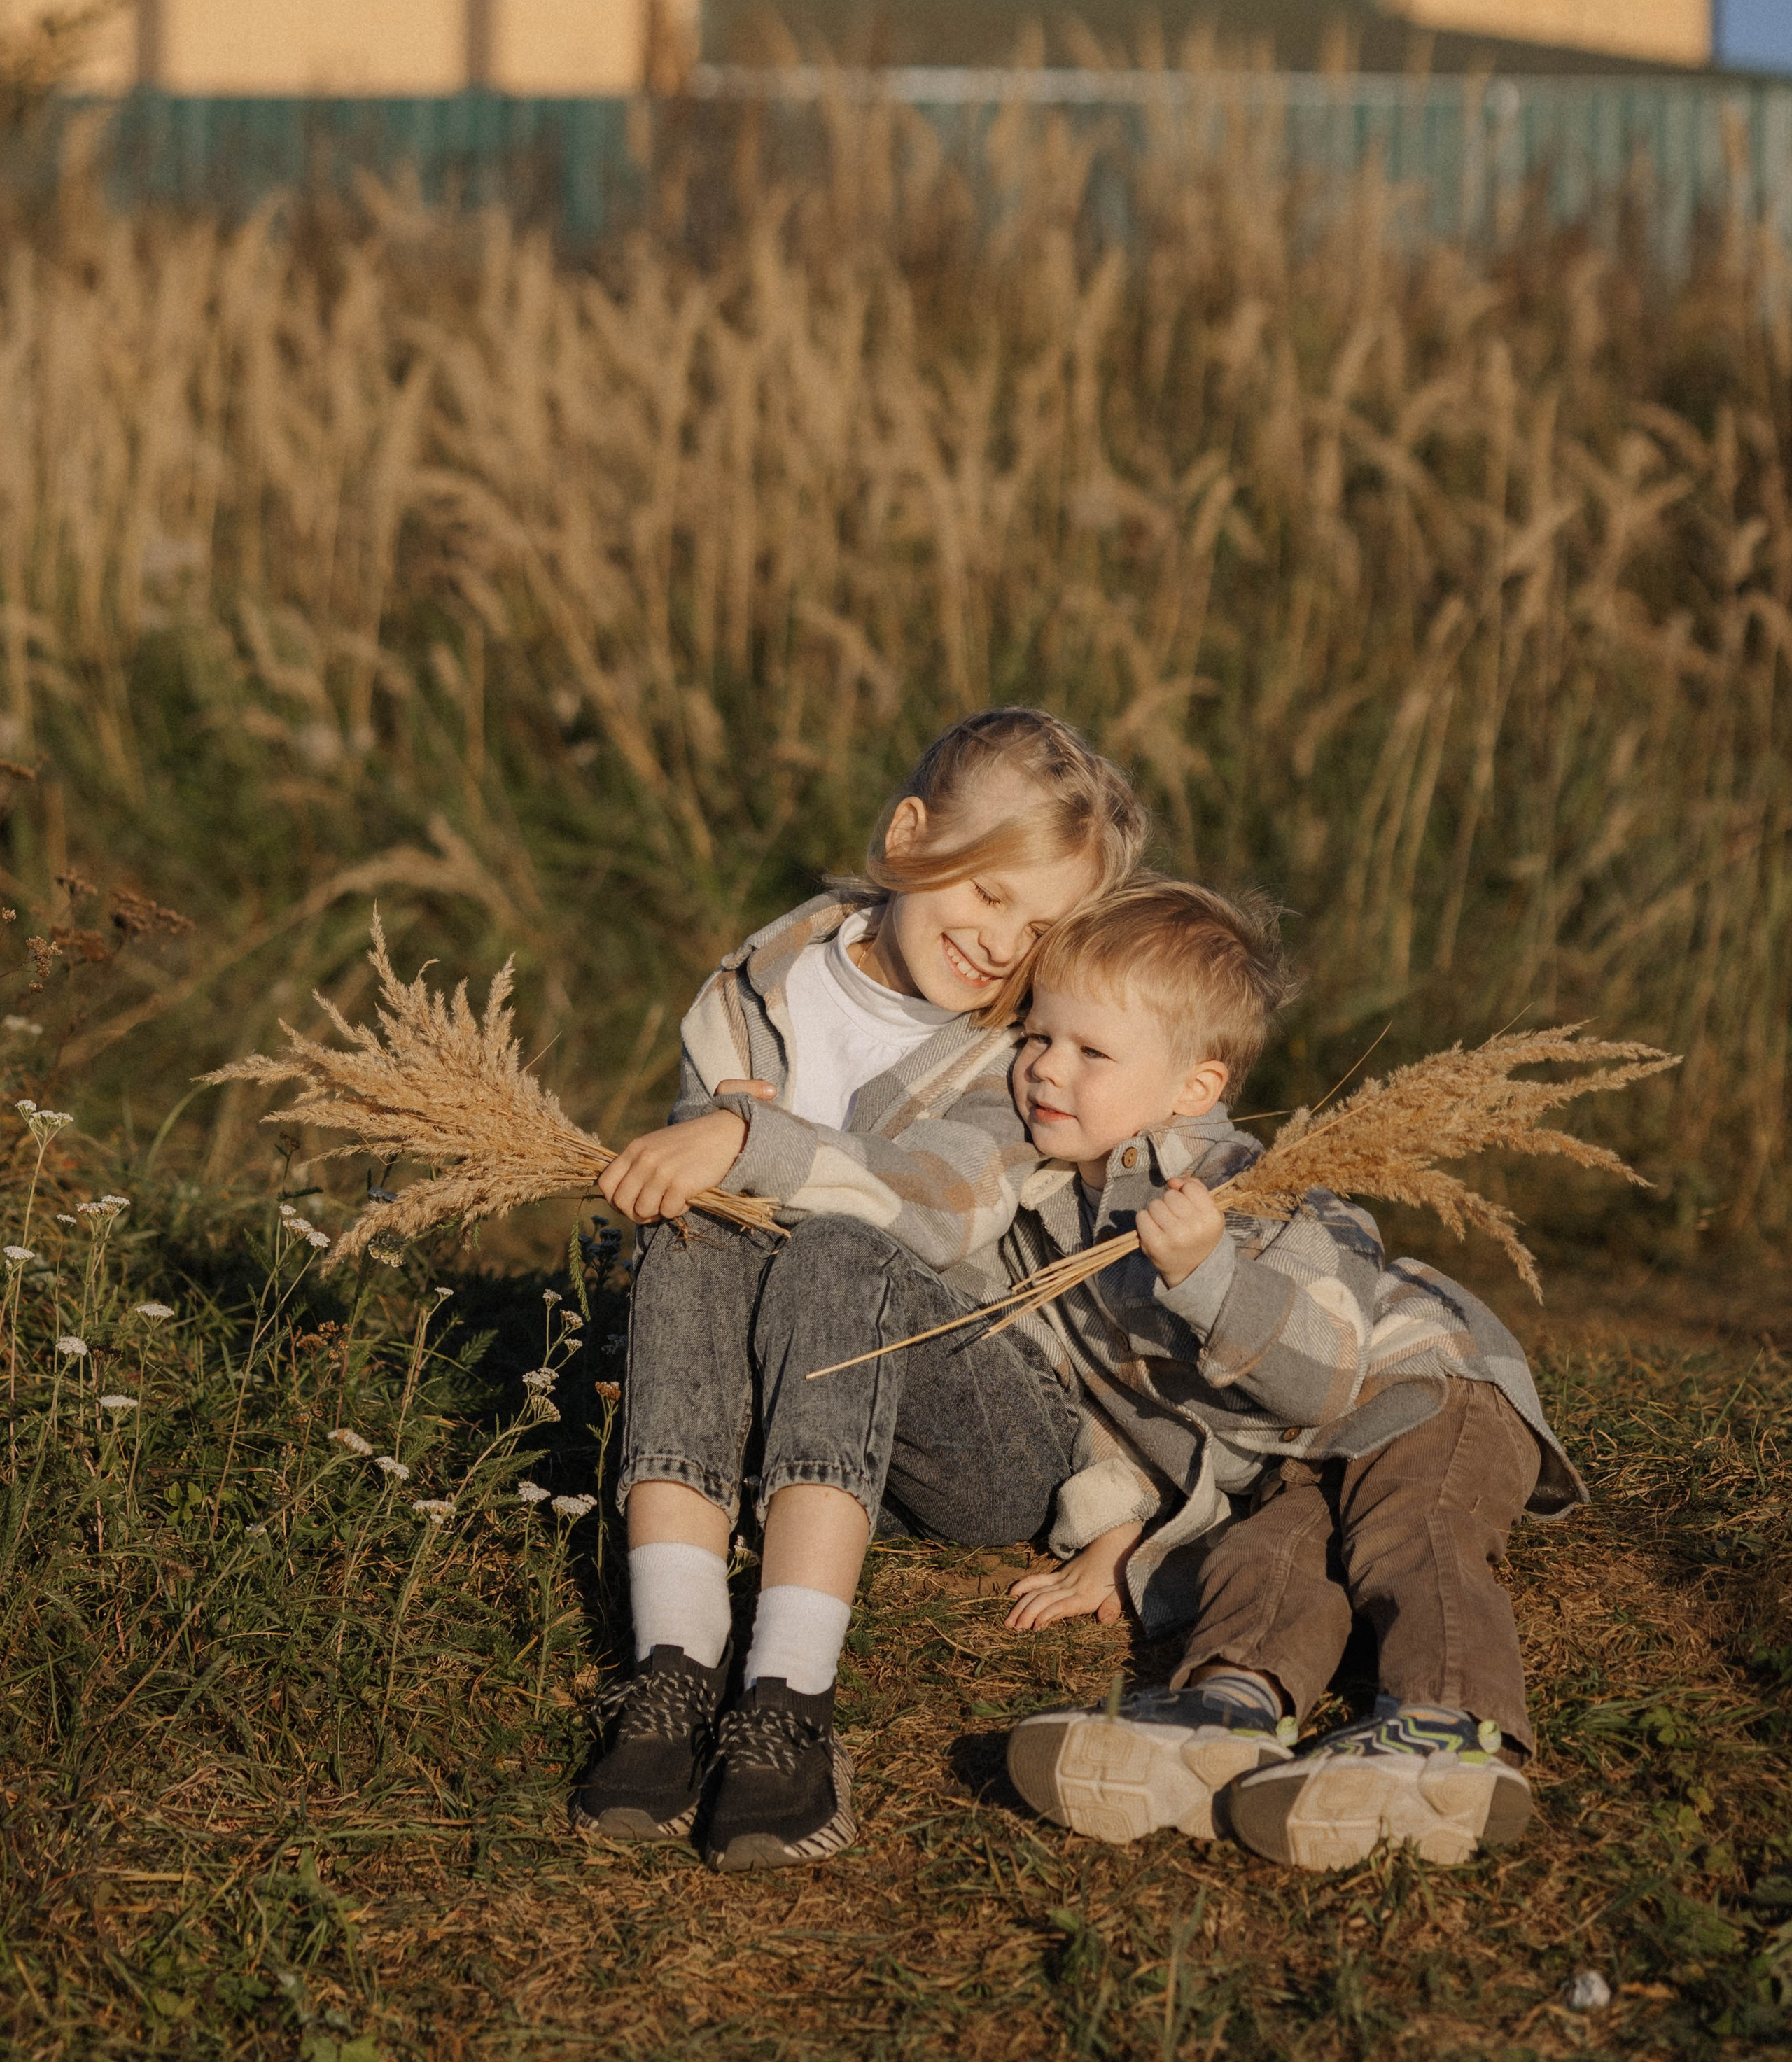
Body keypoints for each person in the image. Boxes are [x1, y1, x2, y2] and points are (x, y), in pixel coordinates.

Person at [570, 707, 1147, 1870]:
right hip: (778, 1425)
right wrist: (714, 1154)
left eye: (1040, 928)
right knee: (693, 1227)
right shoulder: (752, 988)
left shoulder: (1025, 1050)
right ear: (909, 837)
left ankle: (789, 1697)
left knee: (841, 1245)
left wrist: (753, 1139)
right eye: (988, 891)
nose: (1002, 944)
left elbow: (937, 1207)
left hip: (971, 1434)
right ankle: (675, 1667)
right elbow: (707, 1206)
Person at [995, 879, 1586, 1870]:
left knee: (1413, 1532)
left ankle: (1448, 1727)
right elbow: (1108, 1396)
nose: (1046, 1067)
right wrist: (1117, 1523)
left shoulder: (1254, 1192)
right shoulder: (1049, 1215)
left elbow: (1323, 1382)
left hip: (1423, 1390)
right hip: (1293, 1461)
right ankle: (1226, 1712)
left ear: (1195, 1087)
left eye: (1091, 1051)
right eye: (1037, 1035)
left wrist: (1209, 1278)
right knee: (1262, 1556)